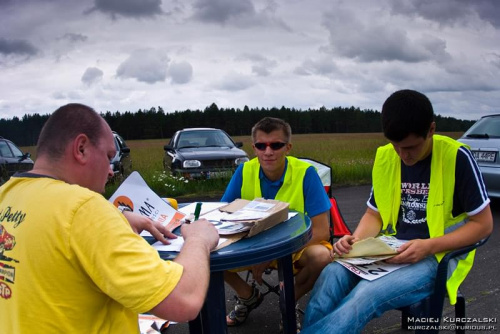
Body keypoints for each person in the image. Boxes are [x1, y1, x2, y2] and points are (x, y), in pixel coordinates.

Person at [0, 103, 219, 333]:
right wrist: (198, 239)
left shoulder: (7, 195)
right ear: (81, 148)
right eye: (108, 156)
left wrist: (119, 217)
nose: (111, 170)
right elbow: (184, 300)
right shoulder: (84, 209)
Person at [302, 89, 493, 333]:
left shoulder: (457, 157)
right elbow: (374, 214)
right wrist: (356, 241)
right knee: (331, 274)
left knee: (365, 295)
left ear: (431, 130)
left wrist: (429, 246)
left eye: (411, 147)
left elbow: (483, 225)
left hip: (436, 256)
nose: (404, 155)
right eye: (396, 146)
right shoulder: (385, 158)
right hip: (390, 249)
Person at [221, 117, 332, 328]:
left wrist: (272, 253)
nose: (268, 151)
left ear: (288, 147)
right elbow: (223, 217)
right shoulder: (244, 171)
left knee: (322, 257)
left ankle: (287, 302)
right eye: (261, 145)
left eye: (276, 145)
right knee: (204, 253)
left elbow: (322, 231)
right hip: (251, 246)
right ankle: (247, 296)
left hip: (294, 247)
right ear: (254, 148)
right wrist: (256, 252)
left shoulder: (306, 174)